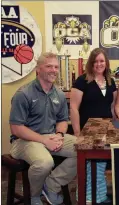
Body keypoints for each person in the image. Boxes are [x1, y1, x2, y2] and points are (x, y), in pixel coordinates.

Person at [9, 52, 77, 205]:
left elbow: (62, 120)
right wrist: (44, 140)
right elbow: (16, 128)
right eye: (49, 66)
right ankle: (35, 196)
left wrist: (59, 134)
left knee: (82, 148)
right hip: (23, 141)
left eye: (56, 67)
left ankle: (51, 186)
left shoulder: (58, 94)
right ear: (38, 69)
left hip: (51, 136)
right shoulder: (23, 94)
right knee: (44, 162)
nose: (53, 70)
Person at [70, 48, 117, 204]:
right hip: (87, 130)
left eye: (102, 61)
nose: (99, 64)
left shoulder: (110, 81)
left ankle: (100, 196)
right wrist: (77, 132)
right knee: (89, 165)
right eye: (95, 61)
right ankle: (86, 198)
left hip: (106, 130)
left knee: (101, 164)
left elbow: (112, 107)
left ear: (106, 63)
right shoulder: (82, 81)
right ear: (91, 63)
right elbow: (74, 107)